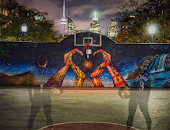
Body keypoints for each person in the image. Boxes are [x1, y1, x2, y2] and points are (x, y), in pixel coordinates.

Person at [28, 55, 53, 130]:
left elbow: (30, 85)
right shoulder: (49, 71)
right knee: (48, 116)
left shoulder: (33, 71)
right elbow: (52, 84)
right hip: (46, 97)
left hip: (36, 97)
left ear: (38, 62)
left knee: (32, 115)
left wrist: (30, 96)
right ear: (46, 62)